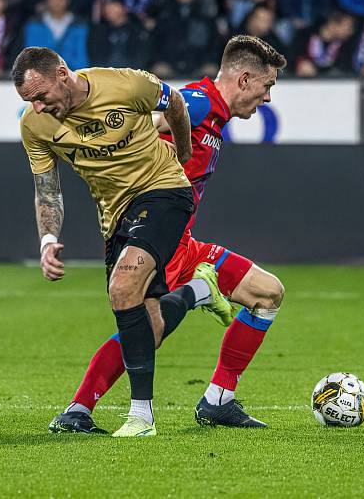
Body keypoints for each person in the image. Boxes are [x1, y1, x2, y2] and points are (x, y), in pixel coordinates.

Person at [48, 35, 287, 434]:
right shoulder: (199, 101)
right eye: (267, 86)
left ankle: (218, 400)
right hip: (160, 236)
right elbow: (155, 120)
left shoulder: (216, 116)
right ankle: (79, 408)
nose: (267, 98)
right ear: (244, 79)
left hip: (186, 242)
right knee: (149, 329)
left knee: (267, 293)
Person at [13, 46, 233, 437]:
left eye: (41, 96)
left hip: (164, 191)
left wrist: (183, 152)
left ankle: (141, 416)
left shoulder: (126, 84)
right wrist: (47, 240)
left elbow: (177, 103)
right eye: (30, 102)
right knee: (150, 327)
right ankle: (198, 290)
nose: (39, 107)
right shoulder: (34, 125)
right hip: (115, 215)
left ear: (63, 74)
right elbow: (47, 190)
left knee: (123, 287)